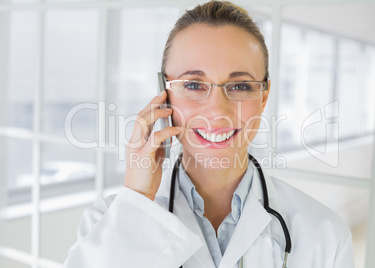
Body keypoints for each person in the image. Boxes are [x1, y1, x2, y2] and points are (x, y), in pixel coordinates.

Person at [63, 1, 354, 267]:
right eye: (193, 84)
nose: (217, 111)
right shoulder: (107, 224)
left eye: (240, 86)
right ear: (163, 93)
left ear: (264, 97)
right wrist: (137, 199)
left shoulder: (325, 235)